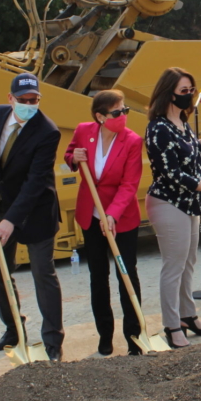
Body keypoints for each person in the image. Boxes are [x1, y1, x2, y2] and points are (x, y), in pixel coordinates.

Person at [0, 73, 65, 361]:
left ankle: (53, 341)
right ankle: (13, 330)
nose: (30, 105)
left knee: (42, 273)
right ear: (10, 99)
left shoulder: (47, 131)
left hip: (35, 211)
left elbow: (35, 183)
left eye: (35, 100)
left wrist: (12, 221)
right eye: (23, 101)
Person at [144, 67, 201, 348]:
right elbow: (173, 173)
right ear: (168, 94)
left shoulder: (182, 124)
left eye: (191, 91)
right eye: (184, 92)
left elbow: (189, 158)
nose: (189, 97)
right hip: (169, 202)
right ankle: (171, 326)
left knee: (188, 263)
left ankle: (188, 314)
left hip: (190, 203)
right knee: (173, 266)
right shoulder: (157, 128)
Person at [64, 90, 145, 356]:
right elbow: (69, 155)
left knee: (126, 274)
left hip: (121, 218)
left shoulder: (132, 141)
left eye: (125, 110)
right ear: (100, 117)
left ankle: (134, 335)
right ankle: (105, 335)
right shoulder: (84, 131)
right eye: (117, 112)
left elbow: (129, 183)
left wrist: (112, 214)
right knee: (98, 277)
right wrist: (73, 159)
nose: (123, 116)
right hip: (91, 216)